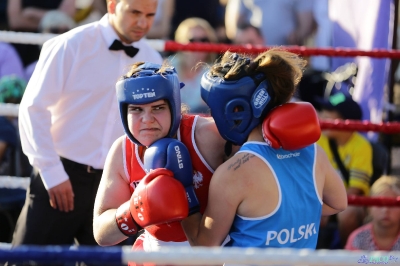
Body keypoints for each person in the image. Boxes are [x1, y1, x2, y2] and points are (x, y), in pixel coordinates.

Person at [92, 59, 321, 257]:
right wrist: (133, 212)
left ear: (173, 105)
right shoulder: (122, 151)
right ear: (124, 112)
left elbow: (262, 142)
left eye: (158, 108)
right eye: (136, 110)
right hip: (153, 254)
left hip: (215, 254)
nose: (147, 119)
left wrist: (284, 122)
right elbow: (101, 234)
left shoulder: (209, 135)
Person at [13, 0, 162, 250]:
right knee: (30, 260)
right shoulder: (70, 44)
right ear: (113, 5)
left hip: (117, 183)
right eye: (135, 12)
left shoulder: (152, 60)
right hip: (60, 174)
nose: (143, 22)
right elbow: (33, 108)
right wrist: (51, 171)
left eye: (150, 15)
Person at [173, 49, 348, 249]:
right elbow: (338, 203)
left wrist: (183, 190)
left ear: (235, 109)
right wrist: (288, 216)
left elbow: (204, 249)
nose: (212, 117)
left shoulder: (233, 173)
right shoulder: (313, 152)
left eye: (214, 110)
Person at [316, 91, 373, 248]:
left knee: (348, 213)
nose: (322, 116)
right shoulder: (318, 139)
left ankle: (348, 256)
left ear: (347, 122)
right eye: (323, 111)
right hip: (322, 198)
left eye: (329, 114)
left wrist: (328, 206)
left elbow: (355, 190)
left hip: (348, 202)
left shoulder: (362, 146)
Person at [171, 17, 219, 114]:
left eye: (203, 40)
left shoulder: (215, 73)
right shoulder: (168, 66)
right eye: (192, 40)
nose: (198, 45)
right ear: (181, 42)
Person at [345, 175, 400, 251]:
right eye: (379, 204)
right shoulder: (357, 238)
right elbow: (349, 262)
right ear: (369, 207)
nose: (385, 210)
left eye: (392, 204)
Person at [224, 0, 315, 46]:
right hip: (251, 58)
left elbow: (306, 24)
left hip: (285, 57)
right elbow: (233, 24)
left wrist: (297, 36)